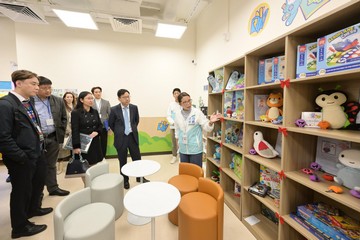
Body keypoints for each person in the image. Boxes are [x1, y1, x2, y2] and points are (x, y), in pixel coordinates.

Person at [0, 70, 52, 238]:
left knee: (36, 185)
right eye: (34, 84)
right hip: (22, 158)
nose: (37, 87)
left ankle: (33, 209)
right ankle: (20, 227)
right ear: (18, 83)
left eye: (37, 84)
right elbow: (3, 137)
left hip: (37, 152)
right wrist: (21, 157)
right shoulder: (6, 104)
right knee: (21, 192)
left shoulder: (27, 102)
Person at [33, 76, 70, 197]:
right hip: (37, 139)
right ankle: (38, 193)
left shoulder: (58, 100)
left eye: (50, 88)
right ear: (37, 87)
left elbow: (64, 118)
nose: (48, 91)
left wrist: (60, 132)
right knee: (37, 166)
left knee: (51, 164)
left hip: (53, 137)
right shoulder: (30, 101)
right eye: (44, 88)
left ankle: (53, 188)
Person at [109, 89, 148, 189]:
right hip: (121, 138)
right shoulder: (114, 109)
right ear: (119, 98)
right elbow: (111, 124)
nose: (127, 99)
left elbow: (136, 121)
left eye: (128, 96)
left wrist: (131, 129)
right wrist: (120, 131)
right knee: (122, 161)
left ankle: (140, 177)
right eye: (124, 97)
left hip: (132, 137)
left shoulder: (134, 108)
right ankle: (125, 180)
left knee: (137, 159)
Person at [174, 92, 221, 168]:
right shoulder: (177, 114)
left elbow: (206, 127)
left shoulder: (197, 113)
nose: (188, 103)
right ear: (180, 104)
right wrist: (177, 145)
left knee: (196, 172)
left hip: (195, 147)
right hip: (183, 147)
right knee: (185, 172)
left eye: (189, 100)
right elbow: (177, 130)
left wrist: (210, 122)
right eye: (184, 102)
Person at [71, 91, 103, 165]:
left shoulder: (94, 111)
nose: (91, 100)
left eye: (92, 98)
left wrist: (97, 132)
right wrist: (76, 146)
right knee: (84, 165)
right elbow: (75, 130)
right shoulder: (76, 112)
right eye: (88, 98)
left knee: (95, 163)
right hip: (83, 142)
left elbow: (100, 125)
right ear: (81, 100)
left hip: (95, 141)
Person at [91, 87, 111, 157]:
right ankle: (96, 156)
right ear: (93, 93)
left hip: (104, 125)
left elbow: (110, 113)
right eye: (96, 92)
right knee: (94, 141)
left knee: (104, 141)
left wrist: (108, 124)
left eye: (99, 92)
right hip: (93, 125)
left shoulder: (106, 102)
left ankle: (103, 156)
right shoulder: (91, 102)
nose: (98, 93)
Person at [58, 92, 76, 161]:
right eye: (67, 97)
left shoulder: (75, 106)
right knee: (66, 147)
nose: (69, 98)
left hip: (75, 128)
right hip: (66, 129)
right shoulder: (62, 107)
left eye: (71, 97)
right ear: (64, 98)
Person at [166, 88, 181, 164]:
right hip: (173, 127)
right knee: (174, 142)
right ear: (173, 95)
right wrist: (173, 122)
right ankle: (174, 156)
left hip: (182, 127)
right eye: (175, 93)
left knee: (181, 142)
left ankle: (181, 156)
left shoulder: (182, 103)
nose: (176, 94)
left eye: (178, 93)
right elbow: (168, 115)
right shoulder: (171, 104)